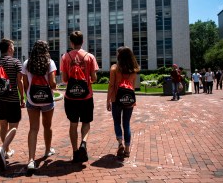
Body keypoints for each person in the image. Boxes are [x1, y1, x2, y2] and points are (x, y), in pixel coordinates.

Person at [60, 30, 99, 163]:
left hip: (70, 97)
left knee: (73, 124)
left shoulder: (65, 57)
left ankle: (75, 151)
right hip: (86, 96)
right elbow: (94, 78)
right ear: (82, 42)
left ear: (71, 42)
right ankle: (84, 142)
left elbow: (65, 79)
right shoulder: (90, 57)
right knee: (86, 122)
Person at [0, 38, 25, 171]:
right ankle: (3, 149)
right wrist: (22, 97)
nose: (14, 49)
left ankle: (7, 150)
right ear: (9, 48)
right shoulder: (16, 62)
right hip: (13, 99)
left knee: (3, 126)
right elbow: (19, 81)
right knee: (14, 126)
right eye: (13, 46)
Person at [21, 40, 57, 170]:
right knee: (47, 126)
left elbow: (25, 84)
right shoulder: (50, 63)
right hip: (47, 100)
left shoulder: (26, 63)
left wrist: (29, 95)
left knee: (33, 129)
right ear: (46, 50)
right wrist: (55, 87)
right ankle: (47, 150)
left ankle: (31, 160)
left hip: (32, 100)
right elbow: (52, 83)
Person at [106, 46, 140, 158]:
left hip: (116, 99)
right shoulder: (134, 70)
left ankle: (120, 142)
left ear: (119, 56)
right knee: (126, 124)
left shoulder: (114, 68)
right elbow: (133, 87)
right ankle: (127, 149)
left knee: (117, 122)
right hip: (129, 99)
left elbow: (111, 85)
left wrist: (108, 100)